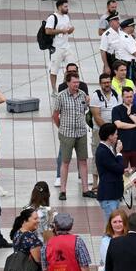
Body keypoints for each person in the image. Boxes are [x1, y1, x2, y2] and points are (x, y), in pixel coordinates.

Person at [52, 74, 90, 202]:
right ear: (68, 83)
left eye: (78, 82)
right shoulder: (61, 96)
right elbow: (55, 115)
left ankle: (85, 189)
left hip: (81, 133)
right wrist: (61, 128)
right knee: (65, 162)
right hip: (67, 134)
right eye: (74, 82)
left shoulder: (83, 95)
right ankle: (63, 190)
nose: (76, 85)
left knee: (83, 161)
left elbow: (85, 110)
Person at [43, 0, 77, 91]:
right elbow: (48, 31)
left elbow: (67, 30)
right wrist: (61, 31)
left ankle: (64, 86)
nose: (67, 8)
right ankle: (54, 89)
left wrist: (70, 30)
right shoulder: (52, 17)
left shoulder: (66, 17)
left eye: (67, 6)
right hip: (56, 47)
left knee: (72, 68)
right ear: (59, 7)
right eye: (65, 7)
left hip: (66, 46)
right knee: (54, 70)